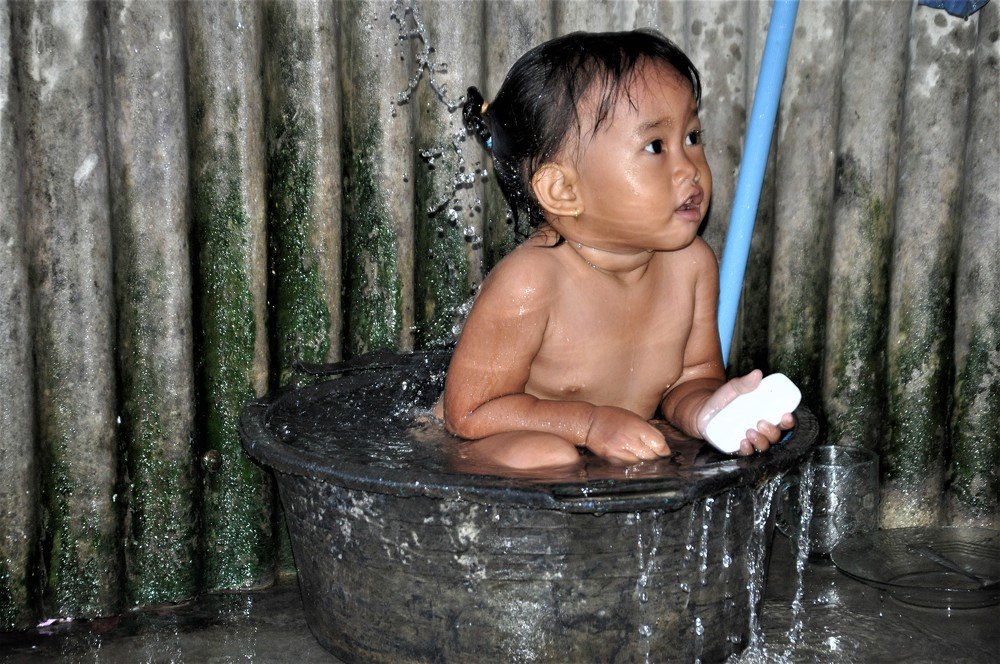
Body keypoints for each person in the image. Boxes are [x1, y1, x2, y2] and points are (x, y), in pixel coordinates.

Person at [442, 30, 794, 471]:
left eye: (692, 136)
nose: (690, 168)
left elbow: (690, 379)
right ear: (563, 190)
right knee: (548, 454)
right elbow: (468, 413)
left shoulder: (692, 265)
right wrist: (590, 425)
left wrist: (708, 410)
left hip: (612, 440)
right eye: (655, 147)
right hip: (489, 443)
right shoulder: (531, 282)